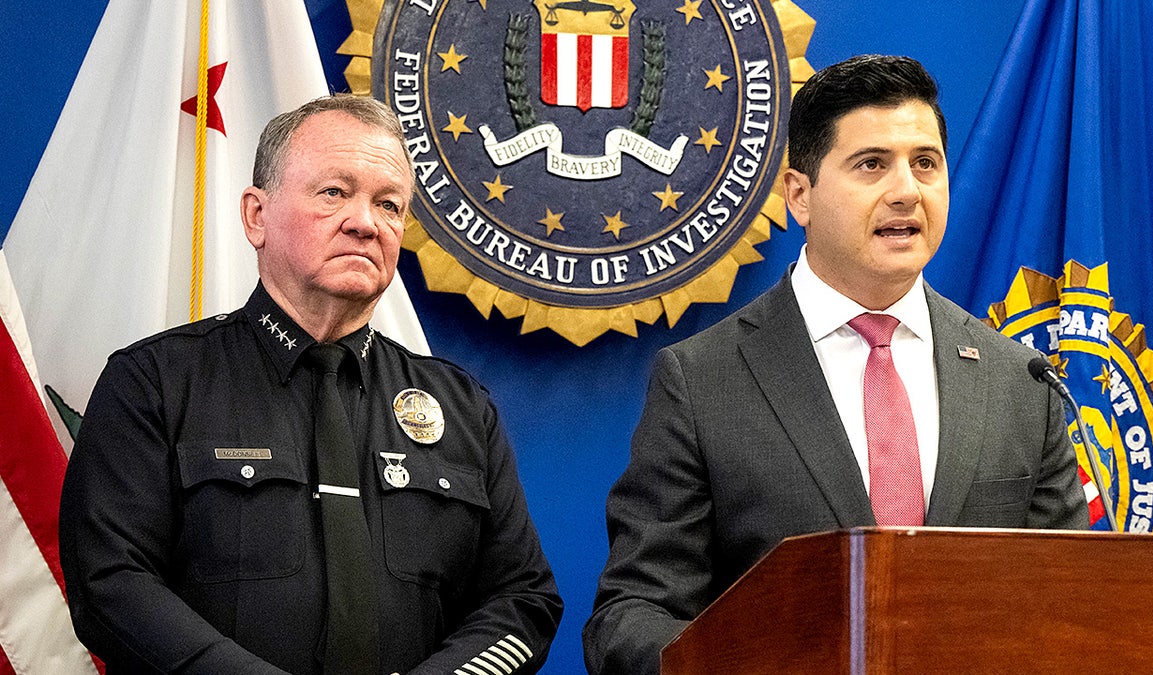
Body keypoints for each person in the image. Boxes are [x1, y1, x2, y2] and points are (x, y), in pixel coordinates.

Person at [582, 54, 1088, 674]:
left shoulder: (1019, 379)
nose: (907, 190)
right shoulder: (702, 380)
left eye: (925, 164)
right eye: (872, 164)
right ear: (800, 195)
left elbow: (1070, 604)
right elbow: (633, 614)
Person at [59, 95, 562, 674]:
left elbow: (522, 600)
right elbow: (109, 584)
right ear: (256, 216)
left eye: (389, 204)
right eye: (334, 193)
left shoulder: (462, 408)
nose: (365, 222)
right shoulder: (155, 384)